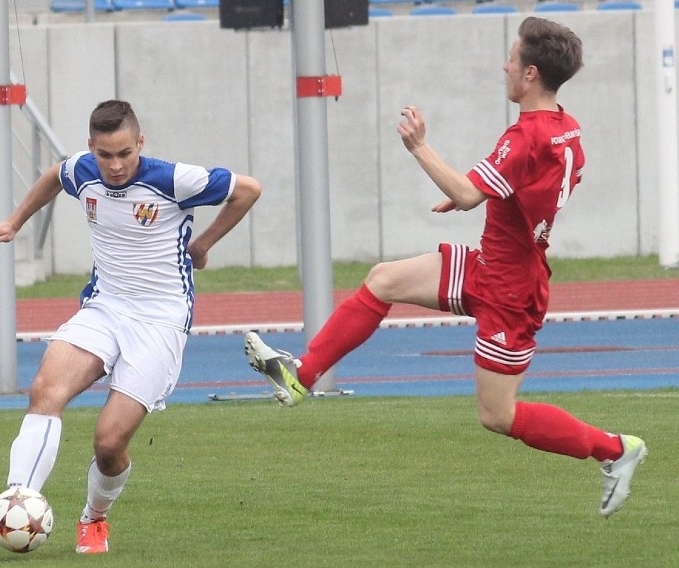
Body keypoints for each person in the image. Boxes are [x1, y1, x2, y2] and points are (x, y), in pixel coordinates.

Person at [245, 17, 646, 518]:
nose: (505, 65)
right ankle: (301, 374)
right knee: (383, 279)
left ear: (531, 74)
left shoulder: (525, 136)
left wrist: (418, 146)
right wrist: (476, 201)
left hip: (510, 290)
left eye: (513, 58)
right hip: (493, 265)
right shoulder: (567, 126)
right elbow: (517, 191)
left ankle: (616, 449)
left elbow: (468, 191)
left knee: (496, 416)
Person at [0, 99, 261, 553]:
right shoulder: (84, 170)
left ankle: (93, 518)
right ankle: (11, 509)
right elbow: (55, 177)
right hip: (104, 307)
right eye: (105, 155)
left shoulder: (173, 179)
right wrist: (14, 222)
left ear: (140, 143)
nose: (115, 165)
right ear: (91, 148)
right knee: (45, 391)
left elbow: (249, 189)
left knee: (109, 442)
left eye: (124, 153)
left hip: (160, 320)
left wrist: (203, 244)